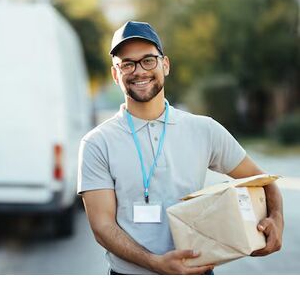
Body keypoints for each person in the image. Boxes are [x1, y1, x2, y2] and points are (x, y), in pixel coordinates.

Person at [77, 21, 284, 275]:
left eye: (148, 61)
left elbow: (263, 181)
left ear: (165, 64)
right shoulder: (97, 143)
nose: (139, 71)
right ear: (115, 74)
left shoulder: (204, 129)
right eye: (127, 64)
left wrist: (276, 219)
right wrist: (155, 263)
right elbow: (102, 226)